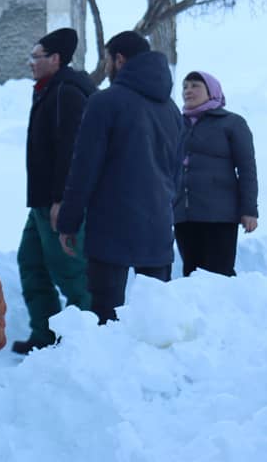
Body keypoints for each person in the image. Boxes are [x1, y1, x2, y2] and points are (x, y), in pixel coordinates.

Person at [56, 31, 184, 324]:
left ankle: (107, 371)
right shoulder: (171, 109)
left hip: (112, 227)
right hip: (158, 226)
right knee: (154, 320)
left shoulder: (105, 102)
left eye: (107, 58)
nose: (106, 65)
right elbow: (177, 171)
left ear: (120, 59)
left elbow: (84, 167)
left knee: (106, 317)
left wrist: (68, 222)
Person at [12, 28, 96, 355]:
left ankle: (85, 340)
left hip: (59, 203)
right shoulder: (50, 90)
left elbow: (72, 150)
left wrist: (64, 201)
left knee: (71, 271)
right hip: (41, 201)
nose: (31, 63)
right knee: (30, 261)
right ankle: (45, 334)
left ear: (56, 59)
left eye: (37, 57)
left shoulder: (68, 93)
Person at [174, 70, 259, 277]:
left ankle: (227, 310)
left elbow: (247, 168)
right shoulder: (177, 123)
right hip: (183, 215)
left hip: (219, 215)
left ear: (211, 91)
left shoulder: (232, 123)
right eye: (185, 86)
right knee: (191, 275)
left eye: (195, 86)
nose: (188, 91)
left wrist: (249, 210)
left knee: (219, 275)